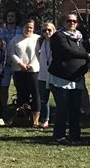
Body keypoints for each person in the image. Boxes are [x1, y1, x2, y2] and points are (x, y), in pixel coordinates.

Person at [48, 11, 89, 145]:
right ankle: (59, 136)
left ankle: (75, 136)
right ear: (63, 22)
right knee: (62, 108)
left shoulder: (80, 37)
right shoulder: (58, 36)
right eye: (68, 21)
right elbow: (67, 51)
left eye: (74, 21)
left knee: (75, 108)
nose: (71, 23)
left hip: (77, 78)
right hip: (62, 78)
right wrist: (86, 55)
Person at [8, 18, 40, 127]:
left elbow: (39, 54)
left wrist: (31, 65)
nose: (29, 29)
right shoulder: (15, 39)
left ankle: (35, 119)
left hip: (33, 70)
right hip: (19, 70)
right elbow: (11, 53)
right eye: (27, 27)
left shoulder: (38, 39)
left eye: (31, 27)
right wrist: (20, 64)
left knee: (35, 94)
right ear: (22, 28)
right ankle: (22, 117)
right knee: (22, 94)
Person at [36, 21, 55, 129]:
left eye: (49, 30)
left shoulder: (58, 42)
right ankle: (46, 119)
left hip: (55, 74)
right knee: (44, 98)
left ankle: (59, 119)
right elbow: (37, 55)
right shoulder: (40, 42)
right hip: (43, 73)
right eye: (44, 30)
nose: (47, 32)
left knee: (58, 98)